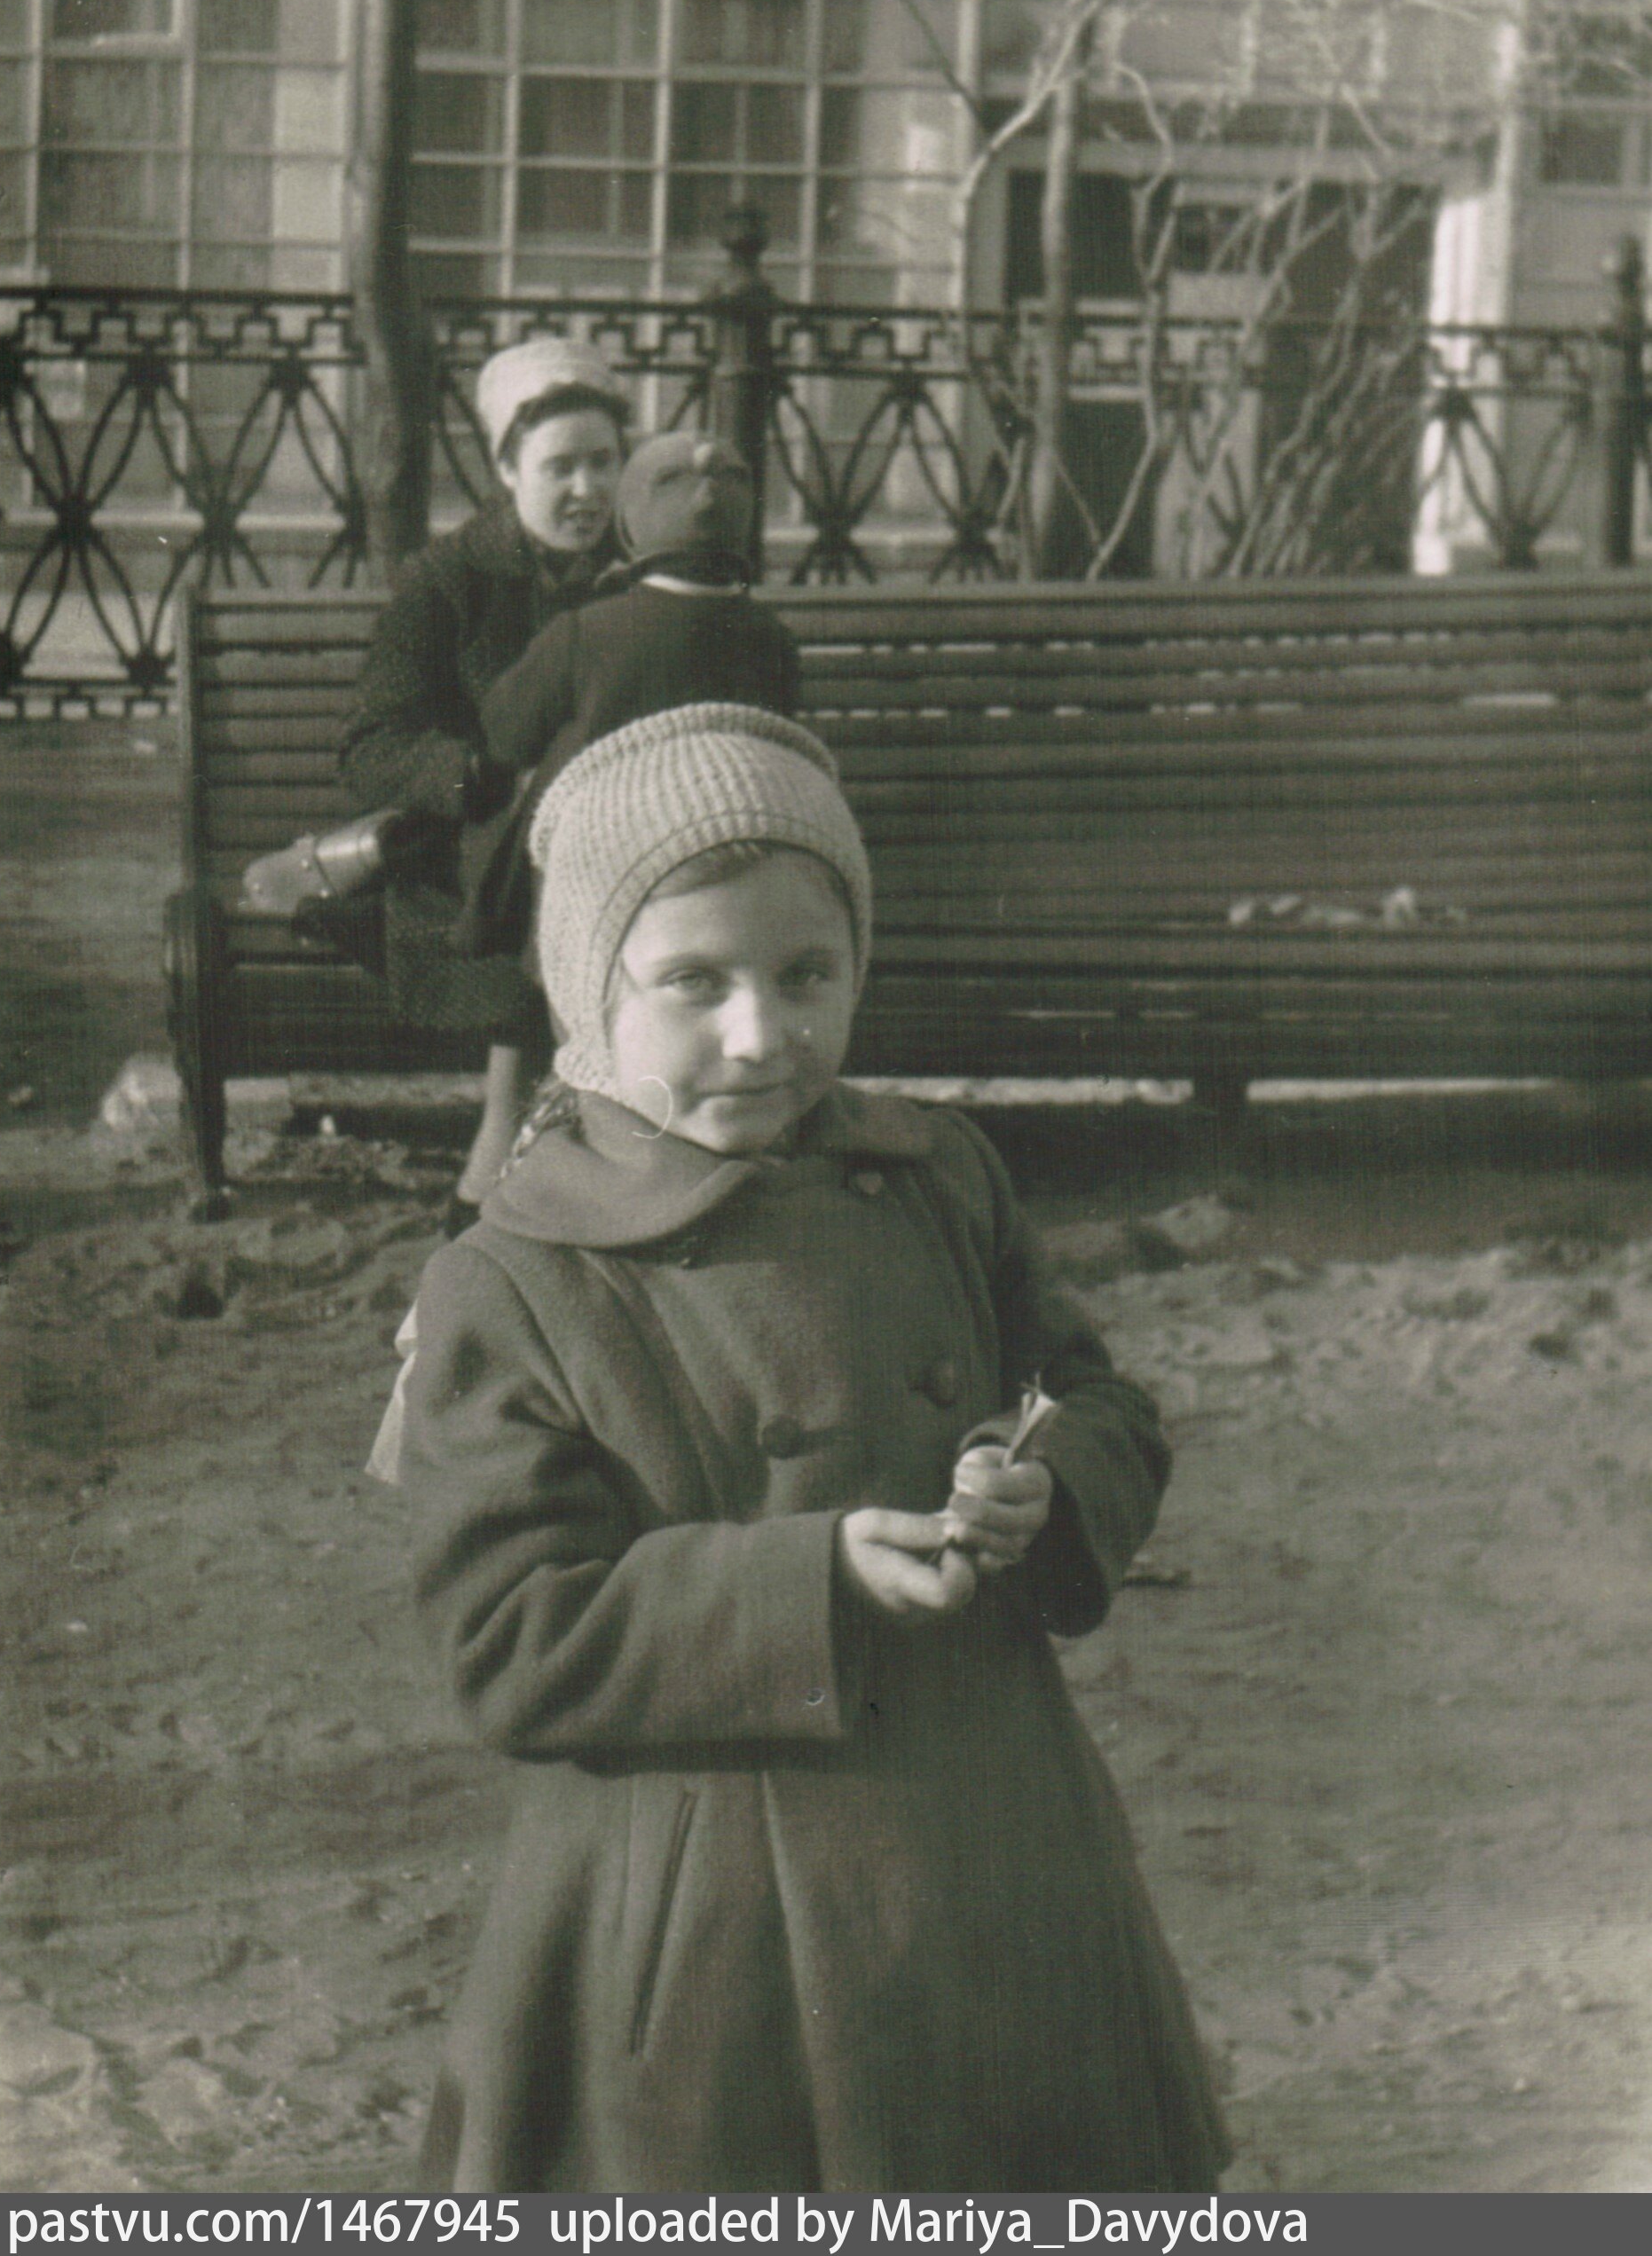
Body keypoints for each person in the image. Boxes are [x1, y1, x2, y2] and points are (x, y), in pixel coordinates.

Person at [398, 703, 1230, 2190]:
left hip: (1000, 1845)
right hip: (715, 1916)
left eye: (807, 973)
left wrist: (1043, 1483)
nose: (762, 1032)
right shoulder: (515, 1277)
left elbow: (1094, 1397)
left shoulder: (936, 1172)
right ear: (588, 985)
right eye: (693, 980)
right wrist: (812, 1580)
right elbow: (510, 1633)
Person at [340, 336, 630, 1227]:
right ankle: (505, 1144)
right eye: (559, 467)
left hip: (622, 845)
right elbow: (374, 745)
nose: (586, 489)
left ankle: (556, 1163)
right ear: (507, 470)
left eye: (603, 462)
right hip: (475, 864)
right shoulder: (448, 582)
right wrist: (478, 777)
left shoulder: (641, 570)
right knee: (556, 892)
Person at [454, 428, 800, 960]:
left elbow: (504, 735)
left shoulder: (587, 632)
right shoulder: (772, 640)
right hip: (725, 881)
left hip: (592, 884)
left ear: (629, 523)